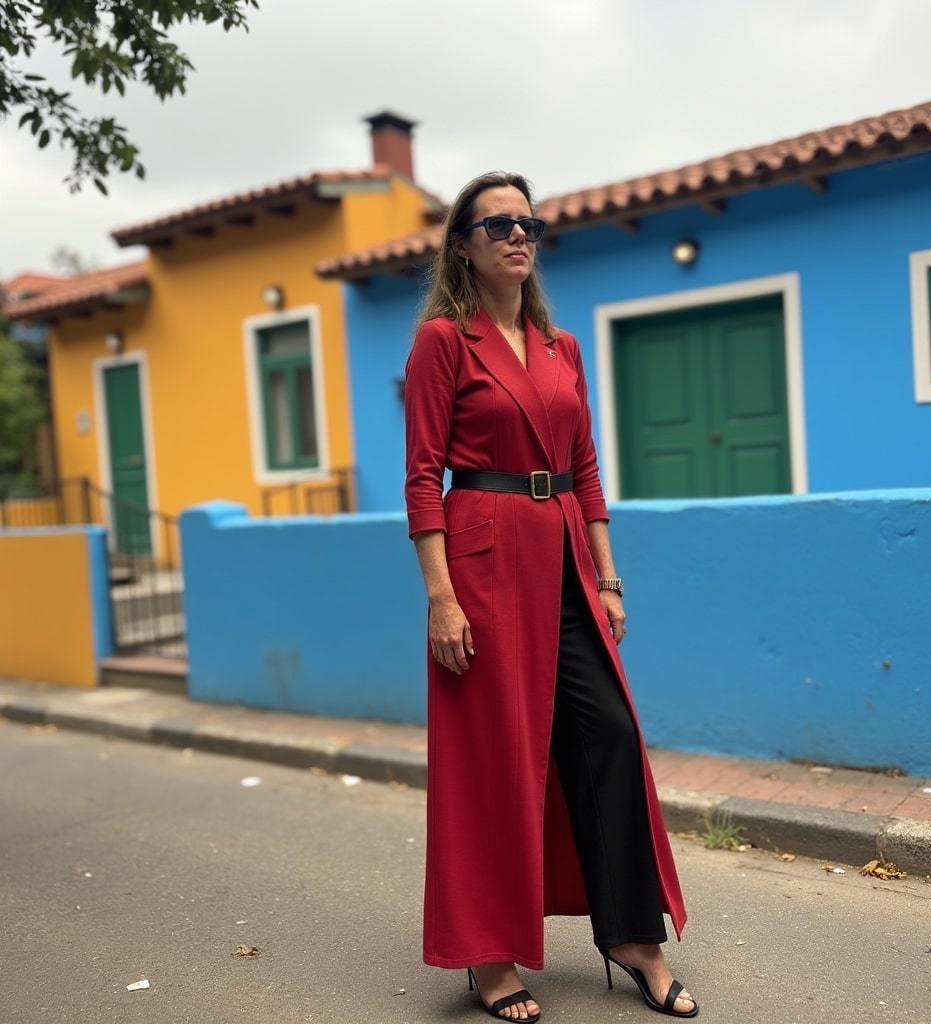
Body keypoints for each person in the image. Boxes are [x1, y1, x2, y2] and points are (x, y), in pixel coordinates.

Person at [403, 171, 700, 1021]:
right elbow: (423, 476)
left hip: (565, 553)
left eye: (527, 224)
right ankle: (488, 955)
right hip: (485, 562)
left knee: (610, 732)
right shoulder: (443, 342)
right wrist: (441, 597)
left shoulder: (562, 347)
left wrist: (607, 577)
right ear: (463, 245)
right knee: (495, 757)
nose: (516, 236)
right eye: (497, 224)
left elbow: (586, 470)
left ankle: (632, 937)